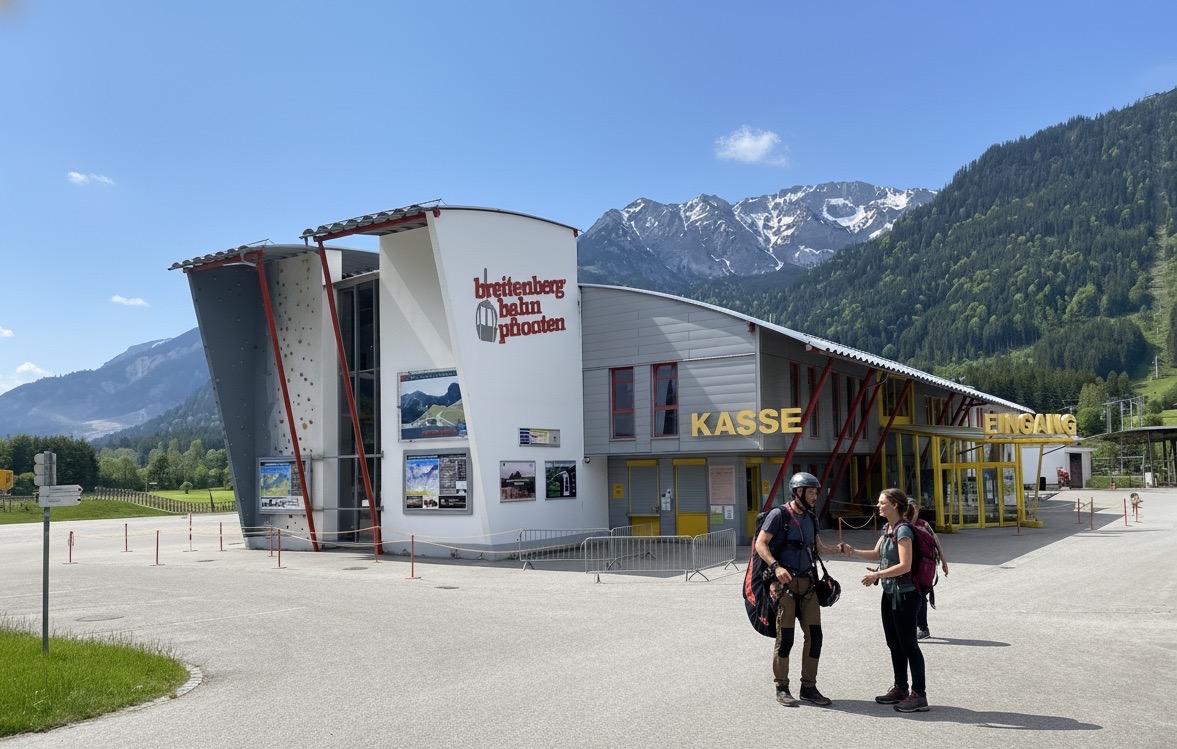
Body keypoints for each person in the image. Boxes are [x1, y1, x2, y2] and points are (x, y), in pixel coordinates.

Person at [754, 471, 841, 707]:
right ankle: (781, 687)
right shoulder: (778, 514)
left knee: (815, 637)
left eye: (816, 492)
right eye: (811, 492)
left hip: (809, 584)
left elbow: (817, 548)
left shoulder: (811, 518)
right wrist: (776, 567)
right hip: (785, 587)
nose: (815, 496)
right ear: (798, 492)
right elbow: (760, 543)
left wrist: (838, 550)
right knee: (786, 639)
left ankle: (809, 687)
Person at [840, 488, 930, 713]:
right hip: (890, 593)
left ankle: (919, 695)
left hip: (906, 594)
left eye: (882, 503)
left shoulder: (903, 531)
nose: (878, 506)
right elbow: (877, 554)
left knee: (909, 644)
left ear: (895, 505)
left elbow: (905, 565)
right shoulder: (888, 528)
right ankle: (900, 687)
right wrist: (854, 552)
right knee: (894, 643)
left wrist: (877, 575)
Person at [910, 501, 949, 639]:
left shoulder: (923, 525)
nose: (912, 512)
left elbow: (936, 541)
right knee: (910, 596)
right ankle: (910, 627)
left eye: (914, 509)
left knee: (920, 596)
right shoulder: (901, 525)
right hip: (908, 566)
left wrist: (944, 562)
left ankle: (922, 627)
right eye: (910, 508)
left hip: (924, 567)